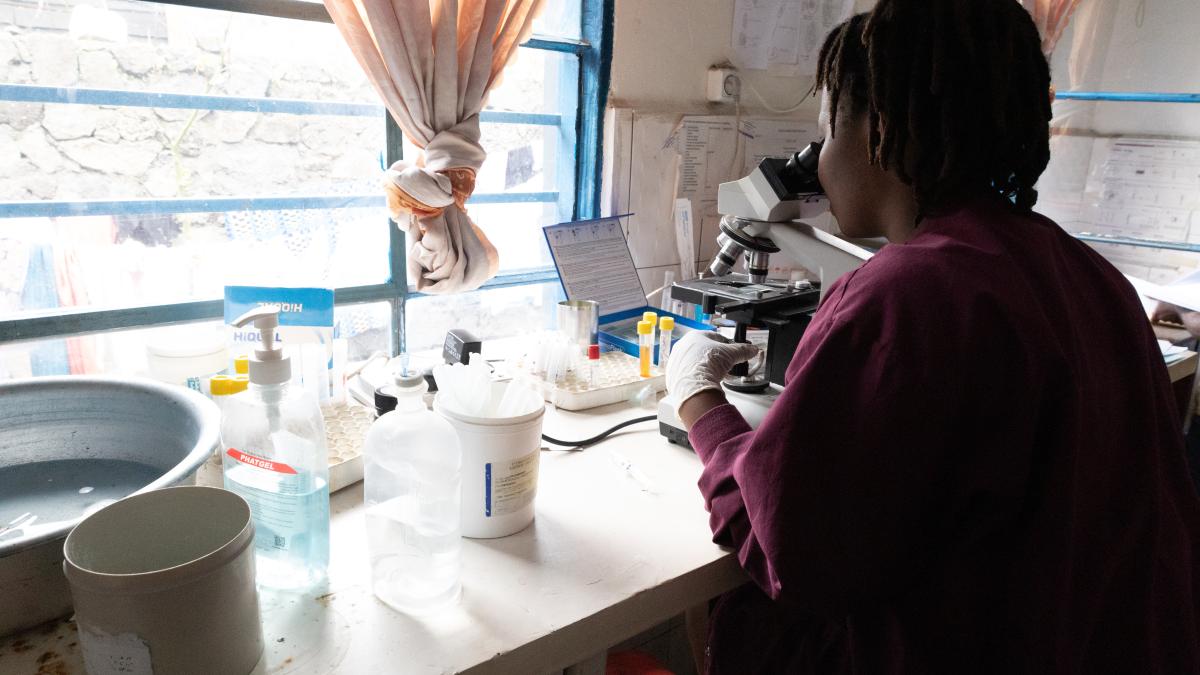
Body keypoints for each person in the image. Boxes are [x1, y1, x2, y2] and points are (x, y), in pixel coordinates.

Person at [665, 1, 1200, 673]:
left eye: (828, 128)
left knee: (729, 619)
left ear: (879, 128)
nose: (821, 161)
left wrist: (699, 403)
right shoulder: (1092, 276)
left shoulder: (908, 292)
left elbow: (789, 554)